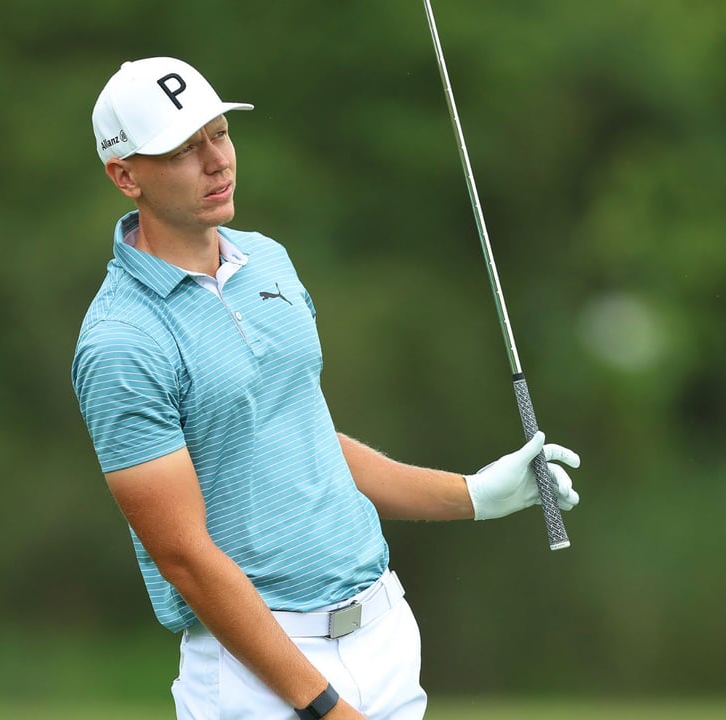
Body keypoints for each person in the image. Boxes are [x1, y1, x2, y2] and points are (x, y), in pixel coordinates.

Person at [71, 57, 582, 720]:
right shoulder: (121, 340)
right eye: (183, 150)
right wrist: (326, 708)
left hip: (383, 632)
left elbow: (301, 439)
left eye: (220, 135)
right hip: (262, 677)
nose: (216, 161)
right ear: (125, 175)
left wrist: (474, 496)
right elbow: (185, 559)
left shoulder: (268, 261)